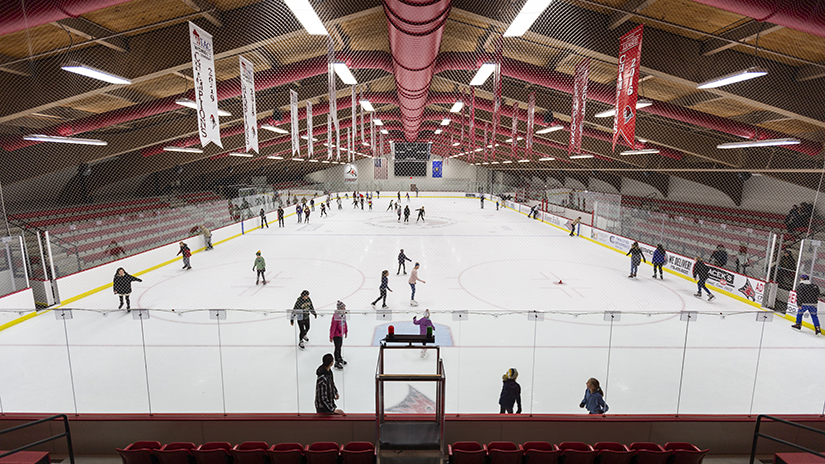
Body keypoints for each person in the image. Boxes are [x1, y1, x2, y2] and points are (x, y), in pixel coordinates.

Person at [330, 301, 348, 369]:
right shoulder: (336, 316)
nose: (345, 309)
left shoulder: (343, 315)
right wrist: (331, 336)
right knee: (337, 348)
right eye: (343, 308)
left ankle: (339, 358)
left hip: (341, 334)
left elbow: (344, 323)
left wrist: (345, 331)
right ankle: (336, 362)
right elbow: (333, 327)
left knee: (339, 347)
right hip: (336, 335)